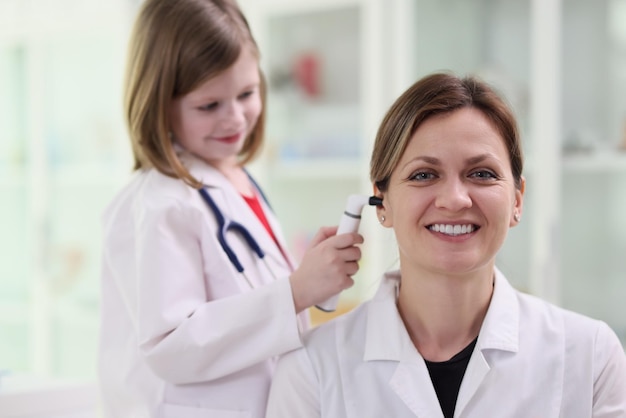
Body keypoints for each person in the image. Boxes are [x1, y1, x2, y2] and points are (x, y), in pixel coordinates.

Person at [265, 72, 626, 417]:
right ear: (382, 202)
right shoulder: (311, 369)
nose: (454, 200)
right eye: (424, 175)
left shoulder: (590, 356)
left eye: (481, 174)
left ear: (517, 200)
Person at [97, 0, 363, 417]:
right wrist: (295, 292)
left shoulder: (236, 180)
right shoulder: (160, 203)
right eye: (209, 105)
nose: (236, 118)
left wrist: (310, 278)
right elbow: (171, 346)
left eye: (247, 93)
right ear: (158, 103)